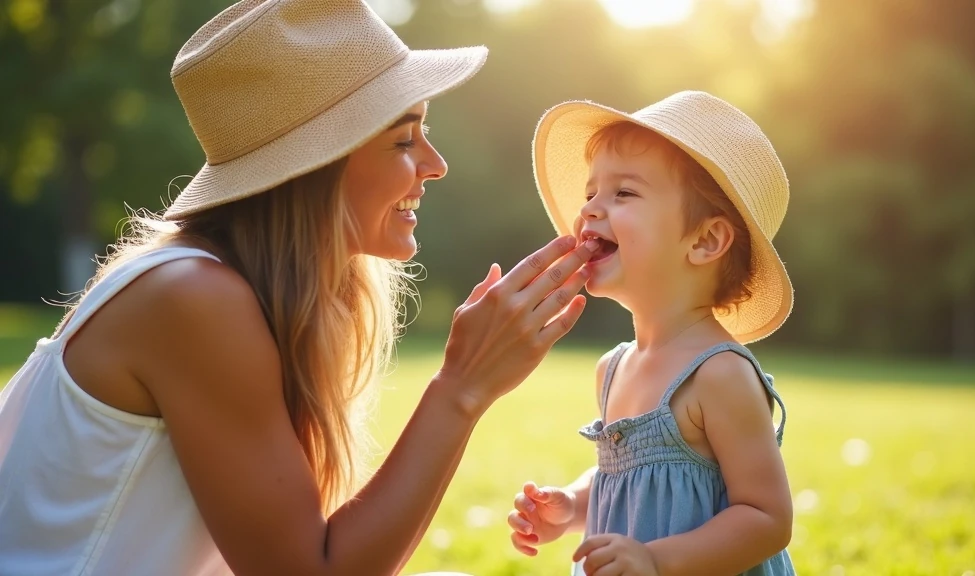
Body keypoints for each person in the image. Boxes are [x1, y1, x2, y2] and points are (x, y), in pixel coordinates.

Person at [0, 1, 600, 574]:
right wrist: (461, 388)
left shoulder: (216, 288)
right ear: (316, 167)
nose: (435, 163)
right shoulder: (193, 298)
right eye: (403, 139)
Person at [507, 91, 797, 575]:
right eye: (590, 193)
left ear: (705, 240)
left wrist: (655, 561)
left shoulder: (719, 374)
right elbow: (624, 480)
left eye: (623, 193)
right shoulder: (613, 368)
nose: (591, 210)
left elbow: (766, 517)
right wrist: (573, 506)